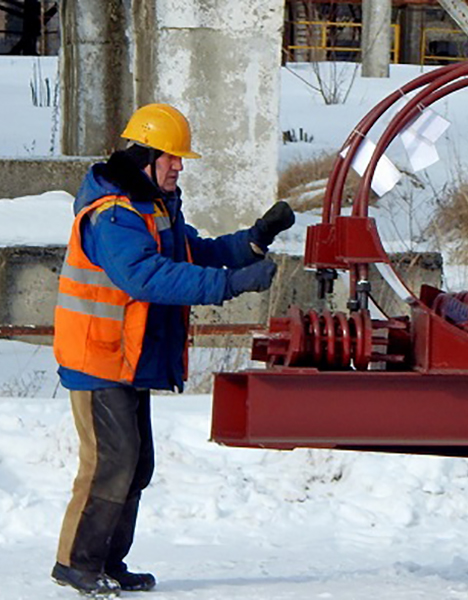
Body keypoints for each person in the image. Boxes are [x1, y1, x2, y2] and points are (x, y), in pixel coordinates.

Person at [51, 103, 296, 596]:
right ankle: (77, 564)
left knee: (135, 464)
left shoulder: (152, 208)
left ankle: (107, 563)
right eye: (172, 157)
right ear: (145, 157)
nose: (179, 166)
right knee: (111, 462)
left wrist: (253, 241)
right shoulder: (113, 216)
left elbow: (193, 252)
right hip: (98, 359)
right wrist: (230, 286)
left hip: (126, 357)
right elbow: (145, 276)